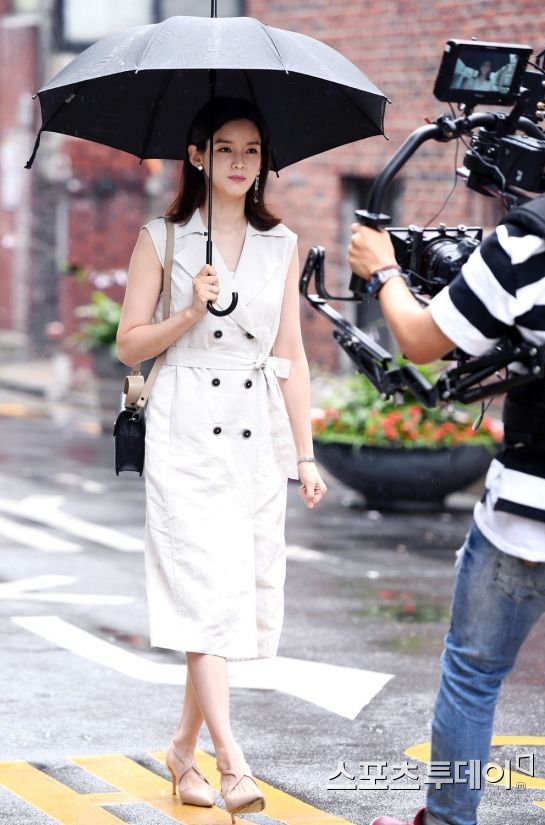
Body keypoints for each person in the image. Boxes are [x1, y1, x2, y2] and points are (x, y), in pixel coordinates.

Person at [116, 96, 327, 822]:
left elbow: (291, 353)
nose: (240, 163)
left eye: (252, 150)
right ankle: (233, 764)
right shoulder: (163, 238)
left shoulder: (282, 243)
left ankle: (182, 749)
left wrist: (305, 455)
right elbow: (128, 344)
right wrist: (188, 312)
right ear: (197, 156)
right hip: (184, 432)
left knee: (227, 600)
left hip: (253, 432)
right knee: (202, 596)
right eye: (225, 149)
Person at [347, 195, 545, 825]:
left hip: (529, 516)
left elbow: (419, 340)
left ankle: (447, 819)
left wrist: (383, 270)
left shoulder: (527, 243)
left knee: (474, 673)